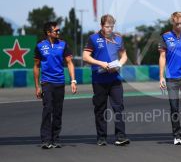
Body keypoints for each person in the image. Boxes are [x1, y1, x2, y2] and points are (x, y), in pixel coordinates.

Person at [83, 14, 130, 146]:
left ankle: (121, 136)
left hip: (115, 79)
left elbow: (124, 56)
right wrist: (100, 63)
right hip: (99, 79)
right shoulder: (93, 38)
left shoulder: (118, 39)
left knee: (118, 107)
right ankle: (101, 137)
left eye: (111, 26)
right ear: (101, 26)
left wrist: (119, 65)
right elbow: (85, 57)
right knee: (100, 108)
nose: (109, 29)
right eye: (107, 26)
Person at [34, 21, 77, 149]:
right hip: (46, 82)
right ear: (48, 32)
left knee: (58, 112)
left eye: (59, 30)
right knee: (48, 110)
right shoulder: (40, 46)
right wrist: (37, 86)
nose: (58, 32)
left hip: (60, 83)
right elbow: (36, 66)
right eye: (56, 31)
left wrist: (73, 81)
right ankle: (46, 139)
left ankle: (55, 138)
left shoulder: (63, 45)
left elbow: (69, 63)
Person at [158, 12, 181, 145]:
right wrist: (161, 76)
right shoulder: (165, 37)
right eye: (177, 23)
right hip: (171, 77)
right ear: (172, 22)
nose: (179, 25)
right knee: (174, 107)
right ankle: (177, 135)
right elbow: (162, 57)